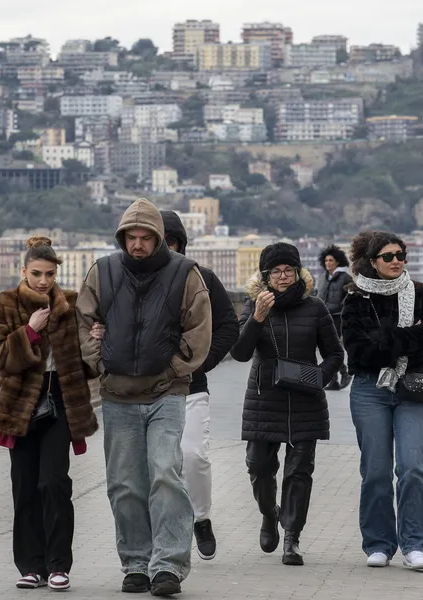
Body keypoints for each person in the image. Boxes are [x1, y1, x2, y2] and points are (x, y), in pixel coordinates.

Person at [77, 198, 212, 596]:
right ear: (122, 238)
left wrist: (174, 368)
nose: (137, 244)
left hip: (166, 392)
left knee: (166, 472)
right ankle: (136, 562)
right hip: (117, 394)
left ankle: (168, 565)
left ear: (158, 238)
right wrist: (99, 361)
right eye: (131, 237)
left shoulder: (184, 273)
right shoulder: (103, 271)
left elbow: (199, 328)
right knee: (125, 483)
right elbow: (83, 320)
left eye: (145, 237)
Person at [0, 237, 99, 592]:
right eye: (36, 273)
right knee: (24, 486)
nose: (43, 281)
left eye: (49, 274)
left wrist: (95, 341)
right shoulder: (5, 304)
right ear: (24, 271)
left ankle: (59, 564)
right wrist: (29, 331)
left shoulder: (71, 306)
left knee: (54, 482)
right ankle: (31, 566)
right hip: (20, 405)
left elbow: (87, 368)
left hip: (60, 401)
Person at [230, 242, 344, 566]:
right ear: (266, 276)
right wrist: (257, 318)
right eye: (276, 271)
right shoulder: (254, 305)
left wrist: (318, 378)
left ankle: (292, 538)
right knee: (258, 467)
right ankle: (270, 514)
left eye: (289, 270)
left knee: (299, 472)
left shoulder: (315, 307)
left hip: (305, 401)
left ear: (298, 272)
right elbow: (239, 353)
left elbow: (335, 353)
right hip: (264, 400)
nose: (283, 276)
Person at [341, 230, 423, 571]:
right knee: (376, 471)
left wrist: (385, 337)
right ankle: (379, 543)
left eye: (400, 255)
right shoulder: (355, 298)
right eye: (388, 256)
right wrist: (405, 338)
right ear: (372, 261)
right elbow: (358, 350)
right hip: (370, 390)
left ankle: (414, 545)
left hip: (412, 388)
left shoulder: (421, 293)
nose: (396, 261)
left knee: (413, 467)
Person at [160, 209, 239, 561]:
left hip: (190, 387)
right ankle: (164, 531)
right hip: (146, 389)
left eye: (171, 241)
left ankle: (201, 517)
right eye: (158, 240)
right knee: (159, 465)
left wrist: (201, 362)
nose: (165, 247)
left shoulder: (202, 277)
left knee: (193, 455)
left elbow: (228, 325)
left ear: (181, 243)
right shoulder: (131, 278)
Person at [316, 244, 354, 390]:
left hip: (337, 317)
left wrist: (341, 307)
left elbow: (351, 295)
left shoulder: (345, 277)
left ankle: (343, 373)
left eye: (331, 260)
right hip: (322, 317)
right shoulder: (322, 278)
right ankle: (334, 380)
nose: (328, 263)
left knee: (331, 347)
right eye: (326, 260)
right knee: (326, 349)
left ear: (338, 261)